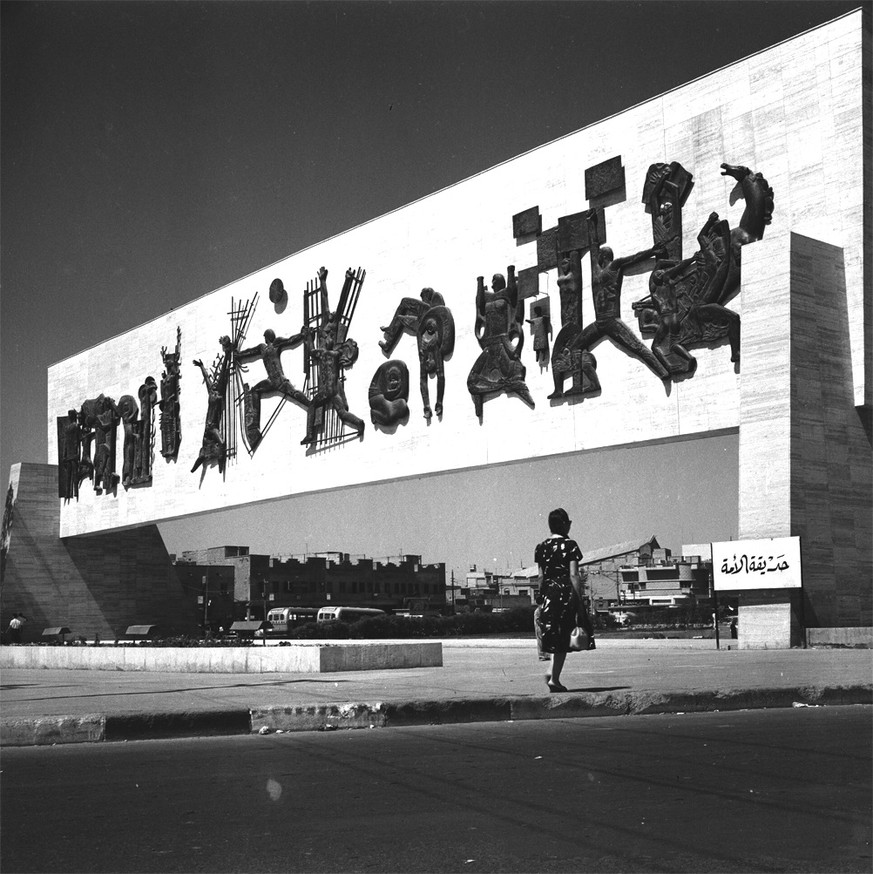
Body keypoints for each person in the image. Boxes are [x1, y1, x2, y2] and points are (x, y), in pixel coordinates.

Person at [534, 509, 592, 692]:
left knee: (553, 635)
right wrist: (578, 600)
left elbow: (541, 576)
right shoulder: (570, 545)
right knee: (563, 637)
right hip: (565, 594)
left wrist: (541, 597)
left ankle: (552, 671)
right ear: (565, 524)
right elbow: (574, 575)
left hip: (548, 595)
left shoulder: (541, 547)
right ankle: (554, 679)